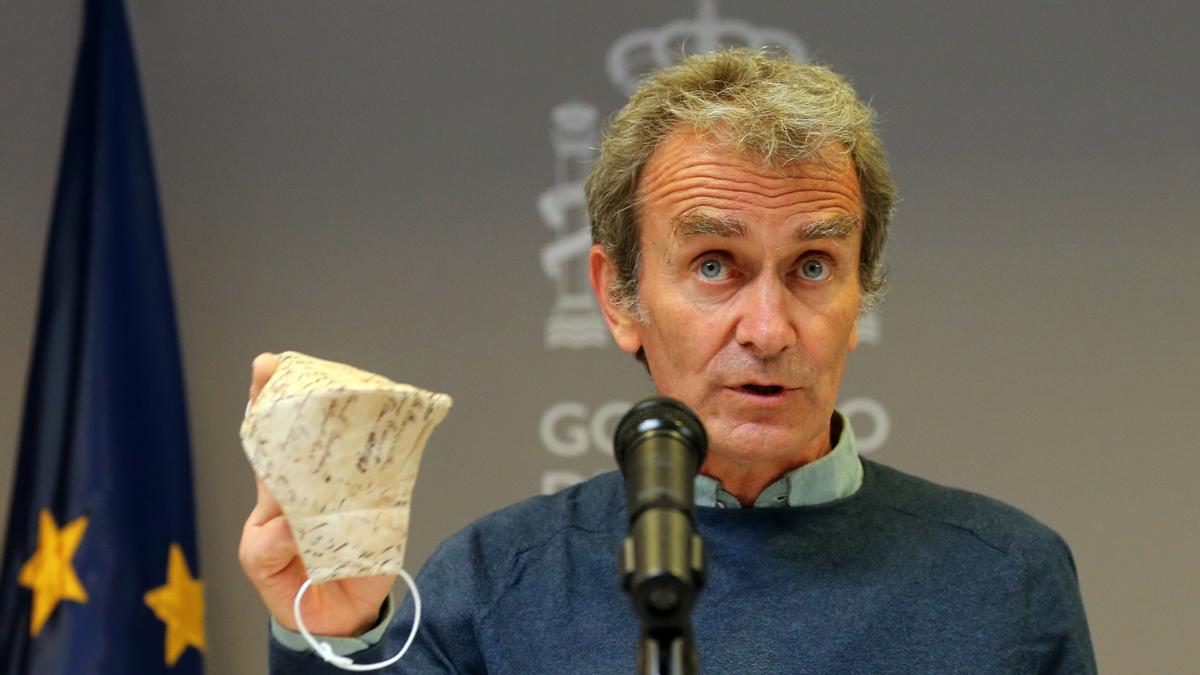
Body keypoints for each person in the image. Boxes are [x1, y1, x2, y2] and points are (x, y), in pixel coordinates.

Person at [240, 49, 1096, 673]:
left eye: (811, 267)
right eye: (715, 264)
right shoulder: (494, 578)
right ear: (618, 297)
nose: (767, 328)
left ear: (860, 294)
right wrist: (342, 632)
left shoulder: (1006, 573)